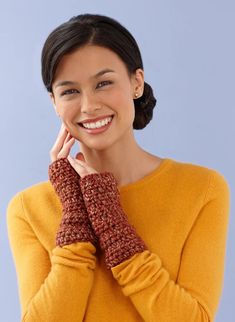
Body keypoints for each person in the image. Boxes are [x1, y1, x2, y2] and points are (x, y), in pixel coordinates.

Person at [7, 14, 230, 322]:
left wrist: (112, 223)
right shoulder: (28, 208)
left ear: (136, 83)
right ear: (54, 102)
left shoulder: (202, 189)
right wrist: (75, 211)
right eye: (70, 91)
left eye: (104, 83)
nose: (89, 105)